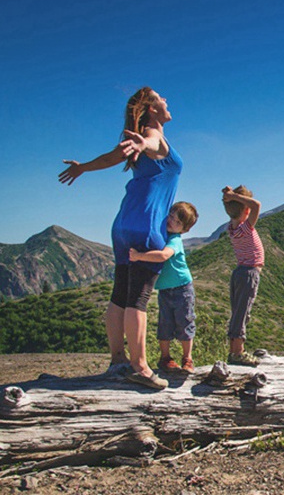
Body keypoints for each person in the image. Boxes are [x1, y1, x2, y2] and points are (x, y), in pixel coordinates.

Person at [58, 86, 182, 390]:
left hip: (123, 224)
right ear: (152, 109)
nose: (166, 100)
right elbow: (153, 144)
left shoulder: (136, 140)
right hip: (145, 225)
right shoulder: (154, 136)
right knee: (138, 299)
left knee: (120, 295)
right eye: (161, 98)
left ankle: (117, 359)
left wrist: (82, 168)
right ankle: (140, 367)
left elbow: (108, 159)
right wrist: (147, 144)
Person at [129, 202, 199, 374]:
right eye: (171, 216)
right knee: (165, 324)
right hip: (165, 289)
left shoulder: (174, 240)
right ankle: (165, 358)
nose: (171, 221)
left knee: (185, 322)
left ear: (184, 229)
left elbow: (163, 256)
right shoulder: (163, 235)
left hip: (182, 288)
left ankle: (187, 358)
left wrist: (139, 256)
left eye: (177, 221)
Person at [221, 185, 264, 366]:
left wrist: (229, 197)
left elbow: (245, 207)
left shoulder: (232, 227)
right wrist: (234, 196)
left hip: (240, 272)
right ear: (246, 210)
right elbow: (256, 205)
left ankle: (234, 350)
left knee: (238, 311)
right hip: (249, 273)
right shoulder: (245, 228)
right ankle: (238, 352)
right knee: (242, 312)